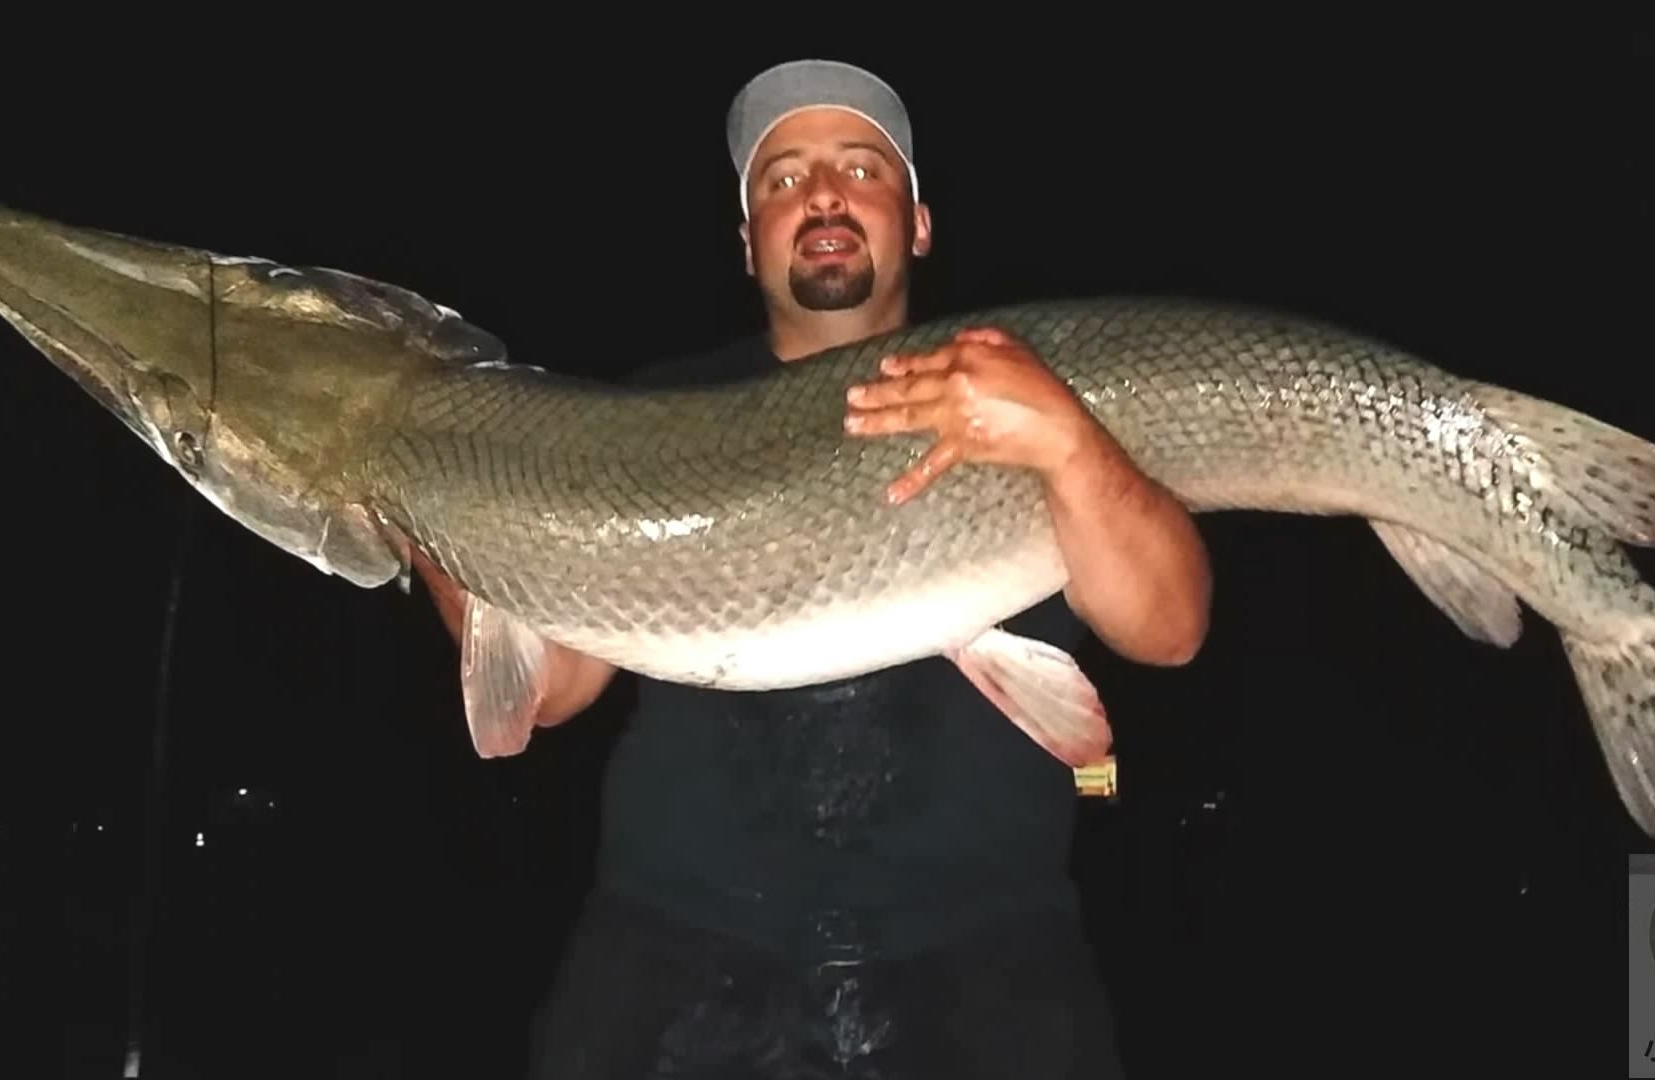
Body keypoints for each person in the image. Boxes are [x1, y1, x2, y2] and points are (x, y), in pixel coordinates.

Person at [410, 58, 1212, 1079]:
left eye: (859, 168)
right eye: (781, 179)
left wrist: (1065, 440)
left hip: (986, 965)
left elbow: (1170, 625)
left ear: (917, 221)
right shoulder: (647, 417)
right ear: (748, 242)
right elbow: (551, 692)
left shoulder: (1027, 381)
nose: (821, 194)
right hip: (677, 962)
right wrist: (420, 498)